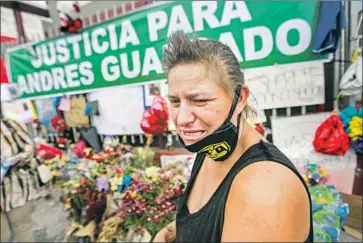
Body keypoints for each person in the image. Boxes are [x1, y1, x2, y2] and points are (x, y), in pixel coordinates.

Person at [153, 31, 313, 242]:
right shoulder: (211, 147)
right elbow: (206, 221)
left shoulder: (264, 187)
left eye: (199, 101)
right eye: (174, 102)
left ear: (240, 99)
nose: (181, 119)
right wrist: (167, 234)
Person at [1, 103, 37, 242]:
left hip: (14, 187)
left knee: (23, 230)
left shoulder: (10, 124)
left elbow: (29, 146)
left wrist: (22, 157)